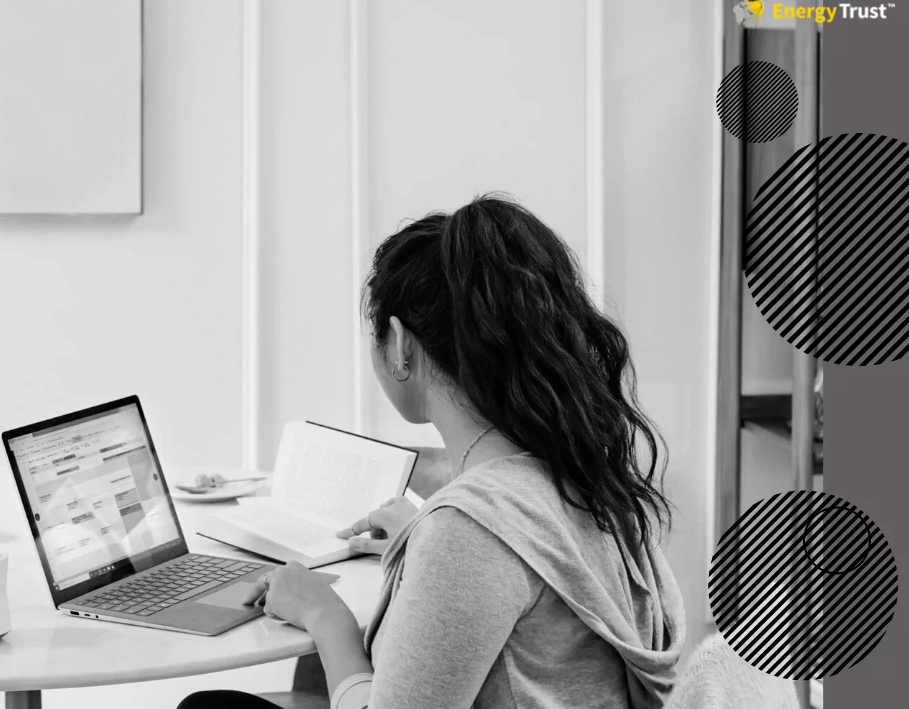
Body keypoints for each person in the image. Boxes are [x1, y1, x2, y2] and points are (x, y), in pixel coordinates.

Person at [178, 193, 685, 709]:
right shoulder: (587, 478)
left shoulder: (469, 532)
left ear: (400, 344)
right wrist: (423, 537)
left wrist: (323, 615)